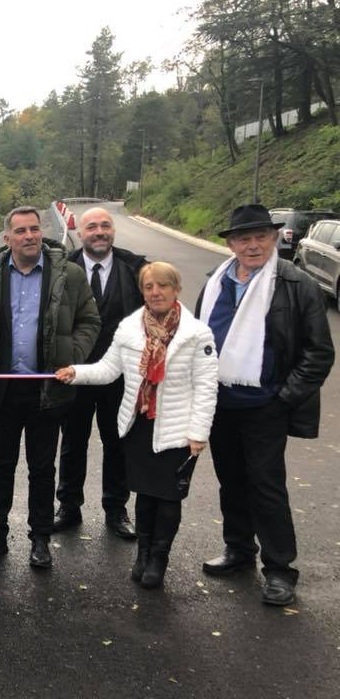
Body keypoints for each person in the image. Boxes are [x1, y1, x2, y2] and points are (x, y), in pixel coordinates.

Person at [196, 204, 334, 606]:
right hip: (220, 402)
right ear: (231, 243)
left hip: (265, 405)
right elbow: (195, 335)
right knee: (232, 481)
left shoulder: (295, 284)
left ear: (274, 239)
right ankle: (239, 550)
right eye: (243, 238)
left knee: (266, 486)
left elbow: (318, 353)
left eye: (260, 237)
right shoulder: (217, 281)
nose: (252, 245)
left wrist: (283, 398)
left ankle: (279, 568)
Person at [0, 206, 100, 568]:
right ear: (7, 238)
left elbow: (90, 321)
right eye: (20, 231)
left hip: (47, 389)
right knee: (0, 464)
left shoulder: (70, 275)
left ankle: (40, 538)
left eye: (34, 229)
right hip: (1, 388)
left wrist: (70, 356)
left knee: (42, 468)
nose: (29, 236)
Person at [56, 262, 218, 588]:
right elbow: (107, 369)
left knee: (169, 498)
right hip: (139, 425)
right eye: (149, 287)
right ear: (142, 291)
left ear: (176, 289)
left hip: (177, 430)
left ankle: (159, 558)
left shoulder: (197, 333)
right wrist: (76, 372)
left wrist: (198, 433)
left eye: (163, 286)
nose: (156, 292)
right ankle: (143, 554)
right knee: (144, 494)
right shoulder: (129, 328)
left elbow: (206, 386)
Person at [55, 207, 147, 539]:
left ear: (113, 231)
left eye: (105, 226)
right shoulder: (61, 269)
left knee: (117, 441)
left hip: (120, 375)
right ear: (80, 233)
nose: (99, 232)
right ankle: (68, 504)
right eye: (92, 227)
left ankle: (116, 508)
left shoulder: (136, 268)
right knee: (72, 440)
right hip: (75, 371)